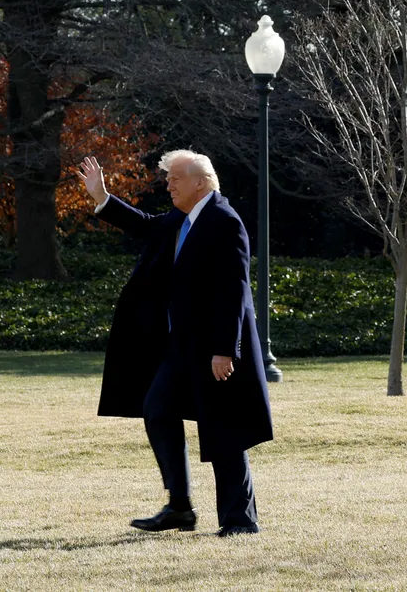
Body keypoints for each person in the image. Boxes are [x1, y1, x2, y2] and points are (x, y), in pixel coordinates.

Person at [76, 150, 272, 537]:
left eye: (175, 179)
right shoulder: (182, 219)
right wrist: (102, 198)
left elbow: (234, 290)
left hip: (214, 350)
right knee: (157, 408)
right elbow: (146, 225)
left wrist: (224, 348)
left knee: (224, 431)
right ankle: (179, 506)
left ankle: (240, 521)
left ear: (200, 182)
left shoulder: (223, 220)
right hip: (181, 348)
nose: (168, 184)